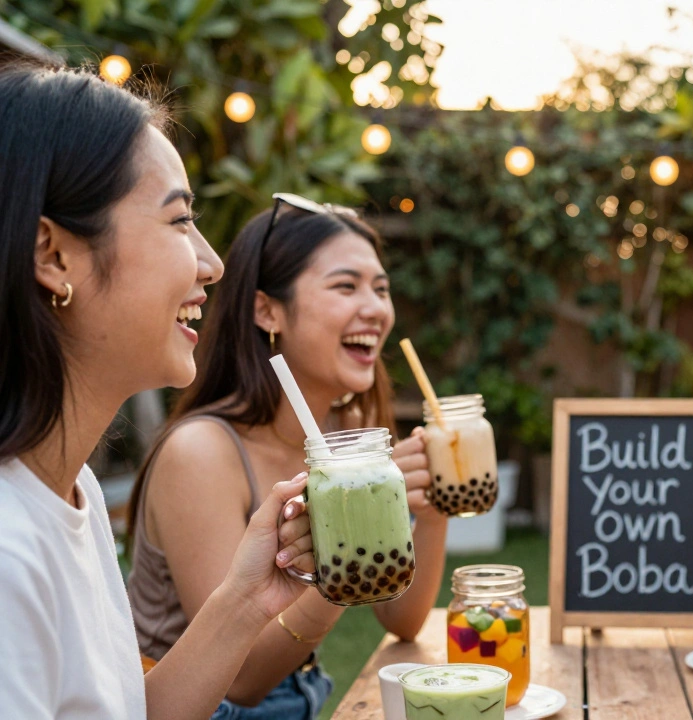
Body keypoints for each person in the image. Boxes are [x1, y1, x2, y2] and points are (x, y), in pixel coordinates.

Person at [0, 61, 316, 719]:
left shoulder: (67, 488)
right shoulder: (8, 550)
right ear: (53, 256)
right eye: (178, 222)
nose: (212, 262)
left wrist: (245, 599)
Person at [125, 197, 448, 718]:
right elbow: (244, 680)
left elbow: (402, 619)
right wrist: (348, 565)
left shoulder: (347, 435)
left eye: (381, 288)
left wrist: (429, 518)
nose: (375, 308)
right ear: (267, 310)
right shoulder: (200, 452)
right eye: (346, 286)